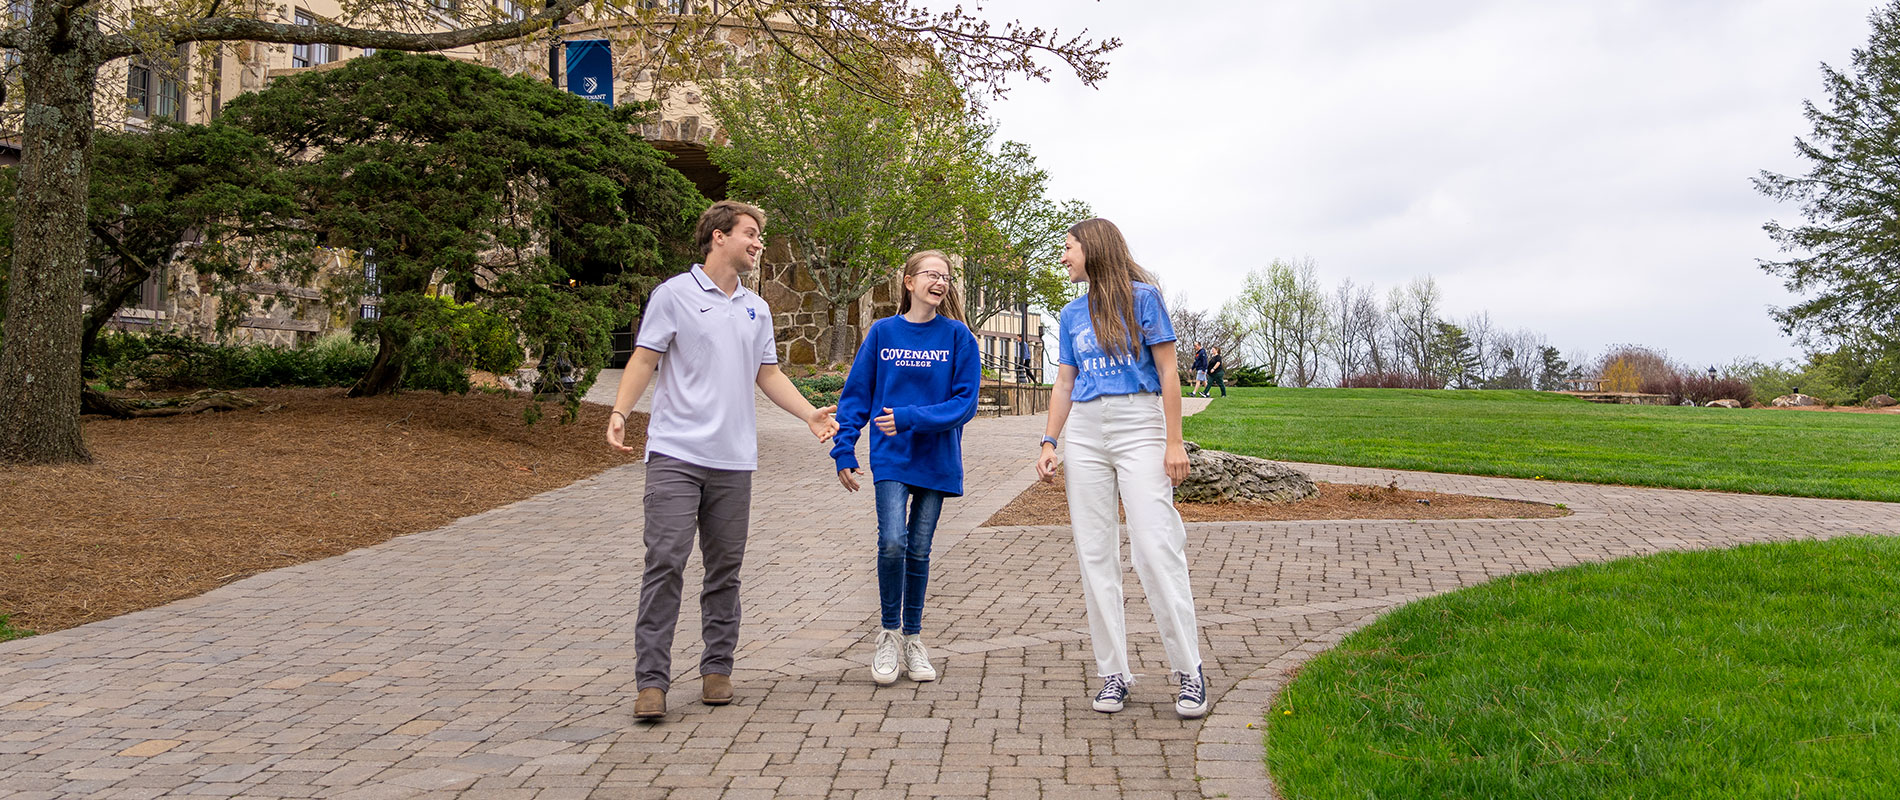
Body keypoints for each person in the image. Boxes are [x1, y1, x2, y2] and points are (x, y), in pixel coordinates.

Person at [605, 199, 840, 721]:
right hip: (676, 454)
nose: (758, 243)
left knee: (724, 570)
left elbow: (769, 375)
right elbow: (645, 357)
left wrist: (808, 415)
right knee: (664, 562)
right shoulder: (674, 295)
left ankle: (717, 670)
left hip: (734, 461)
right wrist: (621, 410)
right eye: (751, 233)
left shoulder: (757, 309)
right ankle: (652, 683)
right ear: (719, 237)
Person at [1035, 218, 1208, 719]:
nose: (1063, 257)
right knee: (1095, 553)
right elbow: (1065, 383)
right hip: (1087, 430)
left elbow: (1170, 371)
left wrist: (1175, 441)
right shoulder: (1070, 313)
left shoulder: (1143, 298)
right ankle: (1114, 672)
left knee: (1155, 548)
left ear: (1092, 247)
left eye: (1067, 248)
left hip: (1139, 422)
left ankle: (1188, 669)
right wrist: (1050, 440)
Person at [831, 250, 982, 686]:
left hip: (937, 458)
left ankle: (914, 639)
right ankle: (888, 634)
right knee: (893, 542)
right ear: (908, 281)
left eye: (946, 277)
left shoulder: (958, 337)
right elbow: (857, 396)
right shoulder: (883, 333)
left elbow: (964, 403)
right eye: (931, 274)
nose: (940, 282)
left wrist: (910, 417)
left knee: (919, 549)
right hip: (892, 456)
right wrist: (844, 449)